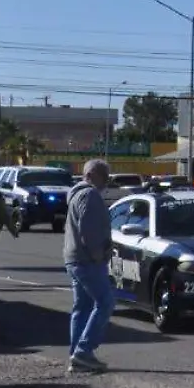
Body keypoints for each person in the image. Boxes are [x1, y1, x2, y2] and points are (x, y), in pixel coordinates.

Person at [63, 159, 116, 374]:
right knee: (105, 302)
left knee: (82, 307)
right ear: (93, 175)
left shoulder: (76, 195)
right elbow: (89, 230)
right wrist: (97, 255)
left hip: (74, 258)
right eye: (105, 177)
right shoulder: (90, 195)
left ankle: (77, 355)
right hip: (87, 261)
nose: (107, 182)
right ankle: (84, 350)